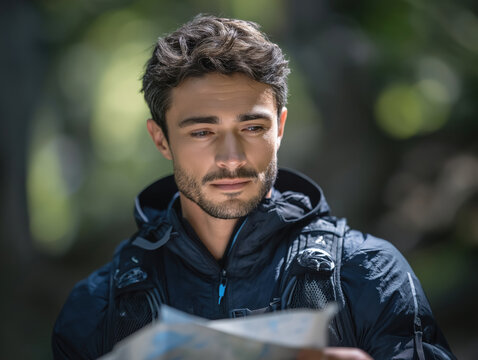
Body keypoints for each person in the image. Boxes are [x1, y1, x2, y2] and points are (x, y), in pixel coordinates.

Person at [52, 15, 456, 360]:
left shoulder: (369, 273)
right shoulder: (98, 306)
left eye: (252, 127)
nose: (231, 157)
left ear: (279, 128)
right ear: (161, 140)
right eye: (202, 132)